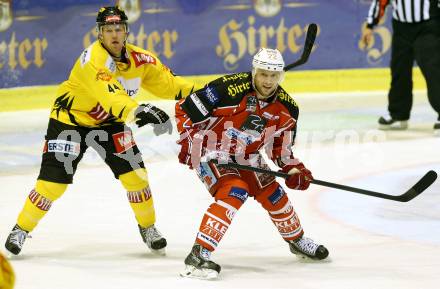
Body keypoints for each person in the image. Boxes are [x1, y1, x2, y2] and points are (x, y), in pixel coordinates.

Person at [4, 6, 195, 256]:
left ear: (126, 31)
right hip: (70, 121)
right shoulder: (92, 60)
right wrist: (137, 111)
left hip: (109, 125)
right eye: (108, 30)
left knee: (136, 177)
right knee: (52, 184)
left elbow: (170, 84)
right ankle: (21, 228)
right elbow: (110, 96)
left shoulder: (140, 60)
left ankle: (148, 228)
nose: (114, 35)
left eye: (119, 29)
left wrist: (206, 93)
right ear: (99, 34)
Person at [175, 48, 329, 280]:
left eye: (273, 76)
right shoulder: (228, 89)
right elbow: (184, 109)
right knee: (234, 191)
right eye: (263, 74)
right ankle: (198, 255)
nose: (268, 81)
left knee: (273, 193)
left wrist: (295, 170)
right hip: (212, 151)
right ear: (254, 72)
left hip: (248, 156)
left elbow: (281, 150)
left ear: (281, 77)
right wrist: (190, 144)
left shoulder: (288, 109)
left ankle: (296, 241)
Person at [361, 0, 440, 134]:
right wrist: (370, 24)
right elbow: (381, 1)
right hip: (401, 28)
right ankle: (398, 113)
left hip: (428, 26)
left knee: (433, 70)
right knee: (399, 70)